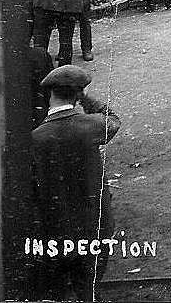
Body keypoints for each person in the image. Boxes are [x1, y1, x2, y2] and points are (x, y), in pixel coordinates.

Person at [31, 65, 121, 301]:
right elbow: (113, 119)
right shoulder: (91, 126)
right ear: (77, 95)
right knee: (89, 281)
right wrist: (88, 99)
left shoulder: (36, 137)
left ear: (49, 94)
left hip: (55, 227)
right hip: (94, 223)